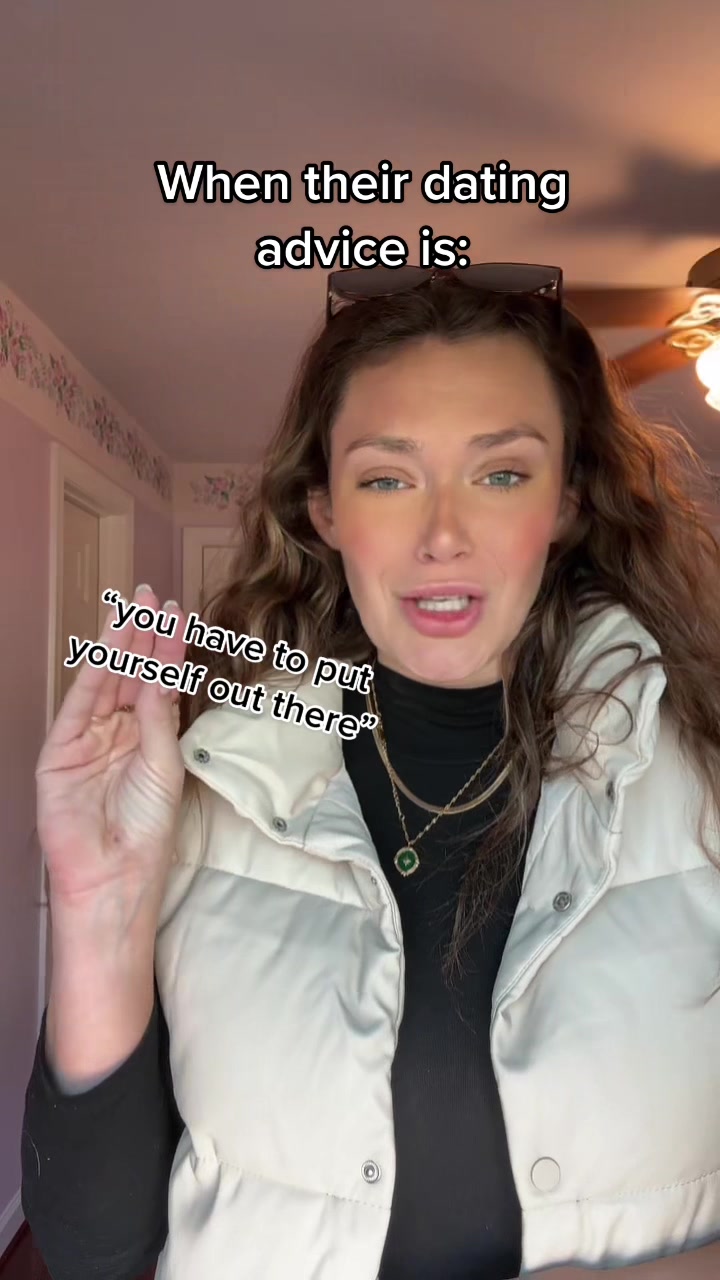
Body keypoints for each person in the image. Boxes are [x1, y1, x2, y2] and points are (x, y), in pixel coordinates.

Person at [21, 266, 720, 1280]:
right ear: (324, 509)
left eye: (501, 474)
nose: (443, 535)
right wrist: (99, 907)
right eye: (388, 479)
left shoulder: (703, 777)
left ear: (568, 501)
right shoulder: (212, 787)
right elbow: (95, 1249)